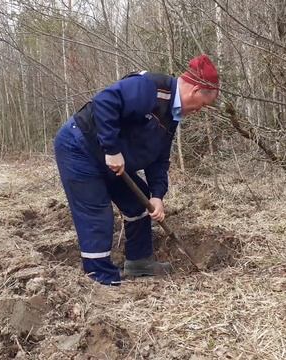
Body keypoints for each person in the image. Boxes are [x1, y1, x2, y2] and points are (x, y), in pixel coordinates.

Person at [54, 54, 219, 285]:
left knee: (139, 203)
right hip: (80, 145)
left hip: (111, 159)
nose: (200, 110)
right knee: (97, 213)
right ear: (194, 91)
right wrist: (111, 149)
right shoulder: (150, 87)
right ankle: (100, 277)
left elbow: (159, 159)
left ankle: (139, 262)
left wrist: (157, 196)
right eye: (203, 105)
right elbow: (104, 102)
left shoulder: (171, 116)